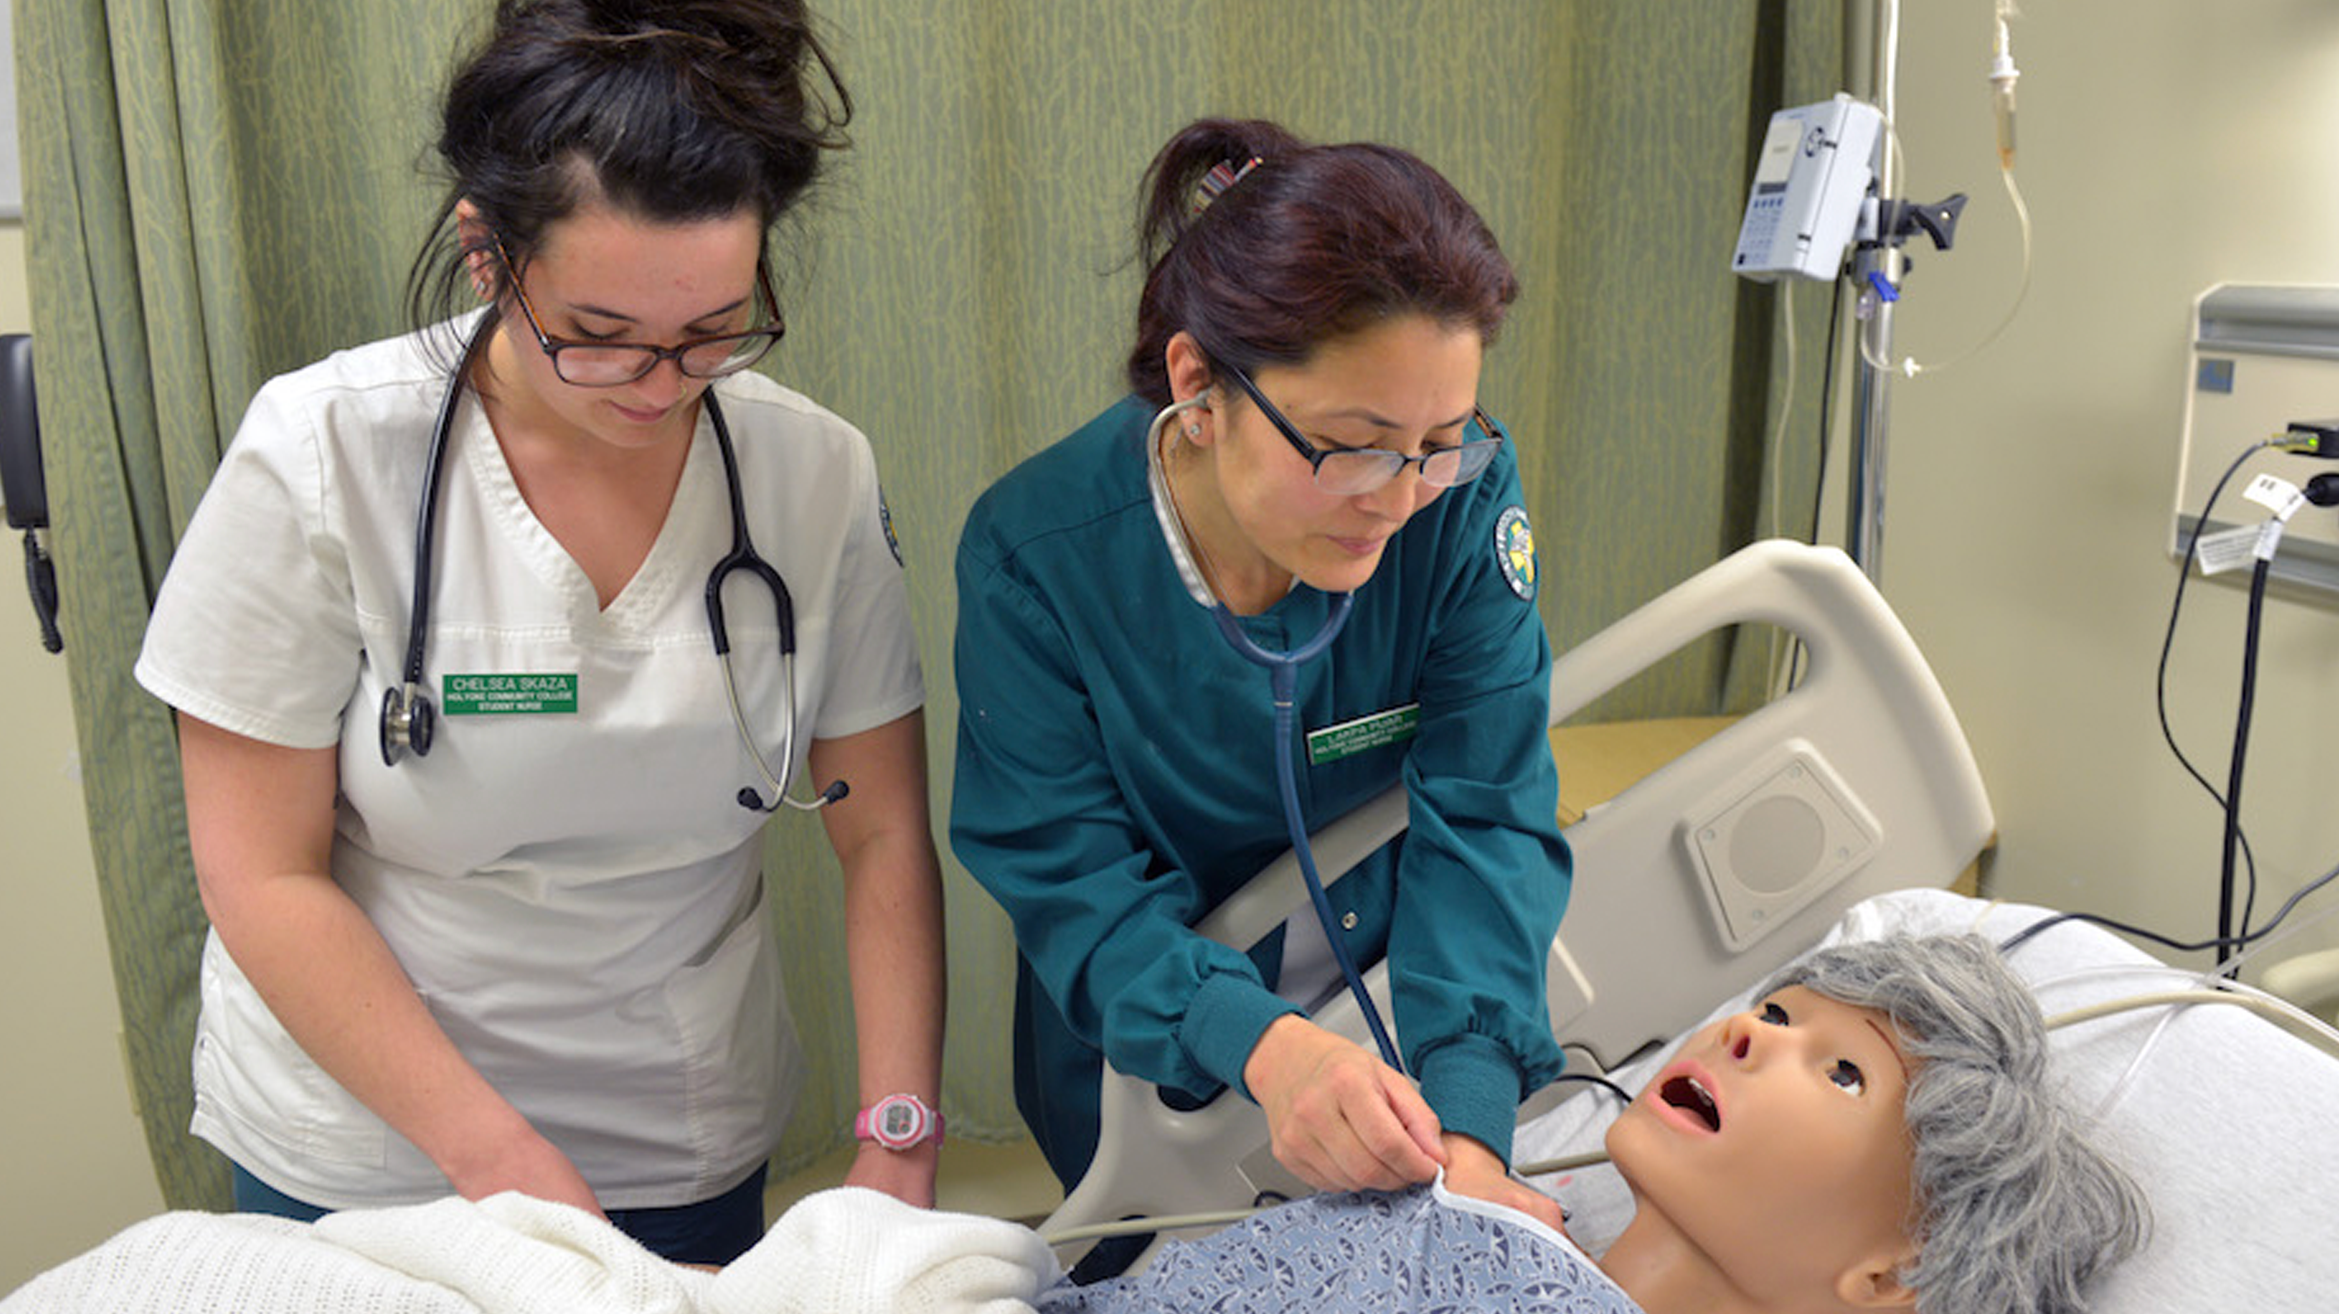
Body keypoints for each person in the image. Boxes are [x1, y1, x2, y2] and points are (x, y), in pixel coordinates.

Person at [131, 0, 945, 1265]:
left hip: (678, 1133)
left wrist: (899, 1133)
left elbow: (882, 828)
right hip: (368, 1150)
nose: (663, 386)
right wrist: (499, 1160)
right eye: (601, 338)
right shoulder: (321, 453)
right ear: (485, 251)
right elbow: (262, 874)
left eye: (712, 331)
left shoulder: (810, 473)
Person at [950, 117, 1571, 1224]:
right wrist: (1264, 1050)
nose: (1396, 497)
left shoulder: (1461, 498)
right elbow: (1066, 878)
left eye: (1440, 440)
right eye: (1353, 444)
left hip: (1403, 1022)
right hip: (1158, 1063)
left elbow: (1485, 807)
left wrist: (1471, 1126)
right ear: (1200, 384)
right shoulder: (1038, 556)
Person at [1036, 933, 2150, 1313]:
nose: (1748, 1035)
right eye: (1773, 1008)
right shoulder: (1472, 1224)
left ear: (1893, 1272)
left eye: (1844, 1073)